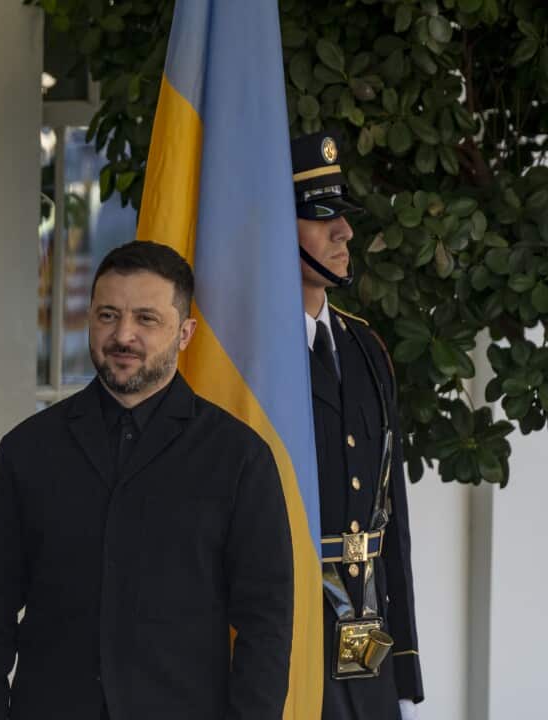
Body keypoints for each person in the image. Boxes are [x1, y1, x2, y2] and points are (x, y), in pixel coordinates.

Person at [0, 241, 294, 720]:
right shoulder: (28, 450)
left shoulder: (240, 458)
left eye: (146, 319)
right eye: (107, 315)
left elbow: (267, 625)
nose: (123, 335)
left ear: (185, 333)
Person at [290, 131, 423, 720]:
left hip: (364, 624)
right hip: (283, 629)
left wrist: (406, 663)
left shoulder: (365, 348)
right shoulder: (250, 360)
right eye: (322, 216)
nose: (344, 232)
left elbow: (391, 521)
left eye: (342, 215)